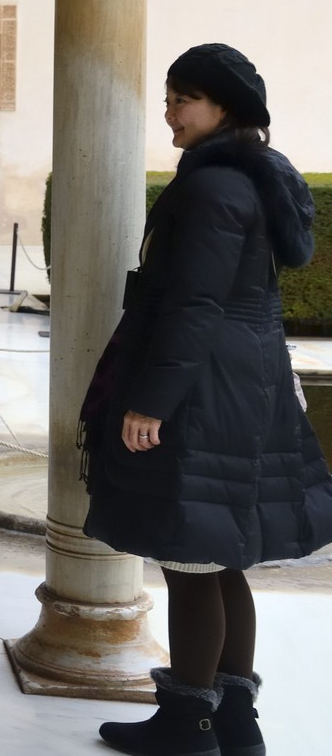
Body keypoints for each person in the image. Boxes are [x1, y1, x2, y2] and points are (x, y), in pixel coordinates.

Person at [81, 43, 332, 756]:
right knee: (220, 555)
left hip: (204, 386)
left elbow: (195, 304)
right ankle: (234, 721)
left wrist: (151, 402)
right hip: (239, 377)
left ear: (225, 108)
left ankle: (187, 725)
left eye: (183, 99)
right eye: (168, 98)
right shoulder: (247, 176)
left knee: (189, 552)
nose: (170, 112)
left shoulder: (213, 188)